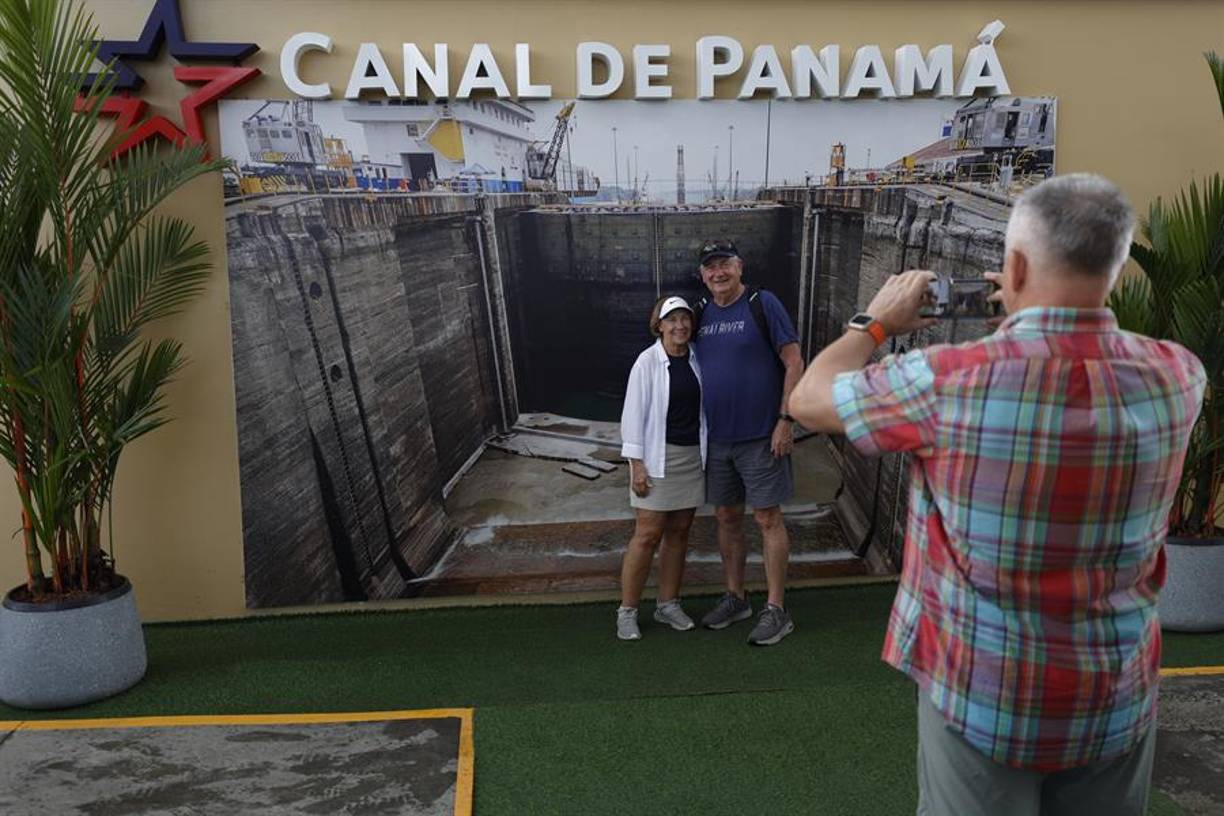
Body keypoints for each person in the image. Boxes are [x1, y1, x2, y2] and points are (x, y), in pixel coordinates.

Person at [788, 174, 1206, 815]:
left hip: (984, 688)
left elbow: (809, 399)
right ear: (1116, 265)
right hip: (1115, 687)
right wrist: (1026, 312)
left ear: (1013, 265)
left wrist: (873, 324)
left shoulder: (949, 382)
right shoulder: (1176, 374)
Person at [692, 239, 805, 645]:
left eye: (724, 264)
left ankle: (776, 609)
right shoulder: (700, 313)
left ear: (739, 266)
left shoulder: (763, 303)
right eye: (710, 267)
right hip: (718, 439)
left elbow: (794, 360)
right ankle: (736, 597)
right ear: (702, 275)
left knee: (767, 518)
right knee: (726, 517)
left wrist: (785, 419)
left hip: (762, 435)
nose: (717, 273)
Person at [616, 296, 707, 641]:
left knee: (680, 532)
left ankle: (668, 604)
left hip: (690, 458)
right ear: (659, 326)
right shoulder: (647, 361)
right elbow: (632, 416)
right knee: (647, 534)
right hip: (656, 458)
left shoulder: (698, 357)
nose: (679, 326)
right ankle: (627, 611)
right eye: (672, 320)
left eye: (684, 319)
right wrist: (636, 465)